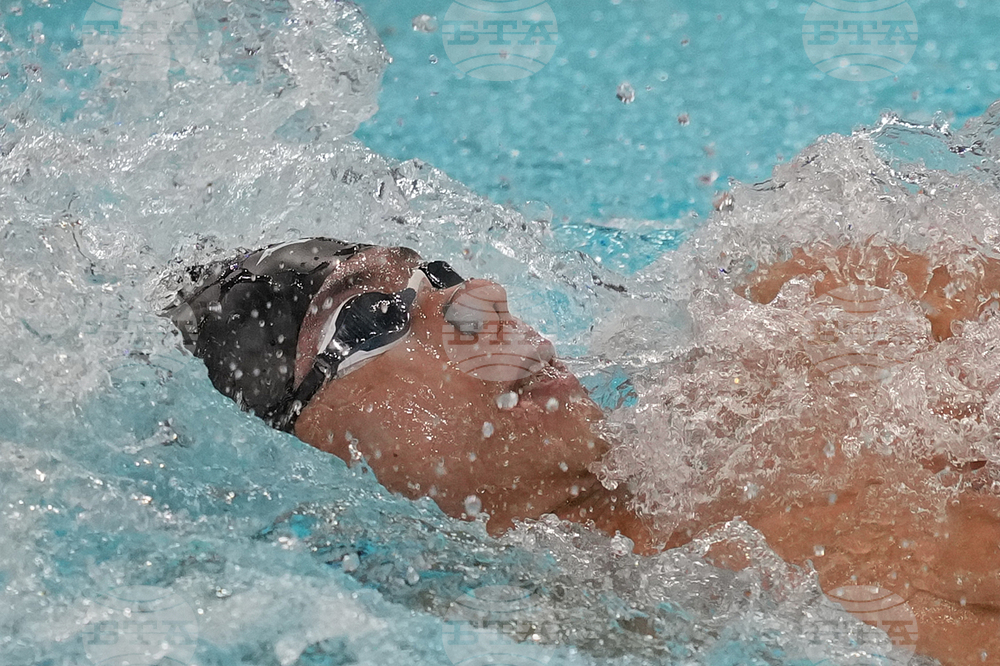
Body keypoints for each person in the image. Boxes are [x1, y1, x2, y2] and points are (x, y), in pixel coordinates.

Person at [167, 236, 1000, 666]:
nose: (475, 301)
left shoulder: (816, 326)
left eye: (438, 273)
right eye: (371, 321)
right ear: (295, 455)